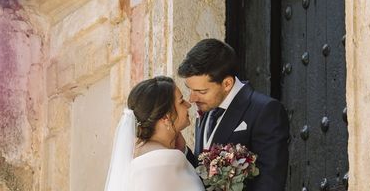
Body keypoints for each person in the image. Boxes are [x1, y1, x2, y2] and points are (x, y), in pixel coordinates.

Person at [178, 39, 289, 191]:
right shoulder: (207, 105)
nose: (192, 98)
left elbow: (270, 184)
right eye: (190, 89)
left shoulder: (265, 111)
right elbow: (202, 173)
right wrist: (183, 150)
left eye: (201, 91)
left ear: (227, 84)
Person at [104, 76, 204, 191]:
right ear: (166, 117)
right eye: (181, 101)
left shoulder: (138, 153)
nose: (188, 104)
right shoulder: (165, 160)